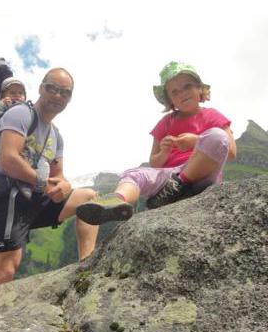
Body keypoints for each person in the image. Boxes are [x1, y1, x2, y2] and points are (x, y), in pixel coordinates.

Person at [76, 61, 237, 225]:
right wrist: (164, 152)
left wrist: (195, 141)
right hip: (169, 176)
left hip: (203, 174)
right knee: (134, 174)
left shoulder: (212, 115)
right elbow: (154, 163)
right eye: (175, 92)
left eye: (187, 86)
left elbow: (230, 151)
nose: (182, 94)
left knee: (217, 136)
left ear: (200, 89)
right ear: (170, 100)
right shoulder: (166, 122)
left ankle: (179, 185)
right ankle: (117, 201)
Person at [0, 67, 99, 286]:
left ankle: (86, 266)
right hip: (9, 197)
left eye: (65, 92)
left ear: (70, 98)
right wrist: (44, 184)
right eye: (52, 88)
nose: (58, 95)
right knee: (7, 268)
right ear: (40, 88)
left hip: (36, 196)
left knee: (88, 198)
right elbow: (8, 159)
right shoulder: (20, 114)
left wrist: (64, 186)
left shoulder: (56, 135)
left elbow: (58, 175)